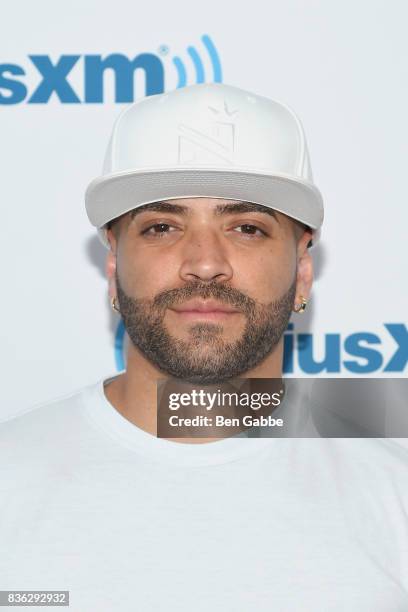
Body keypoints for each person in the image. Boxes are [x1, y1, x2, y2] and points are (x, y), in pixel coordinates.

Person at [0, 83, 407, 611]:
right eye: (162, 226)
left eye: (247, 228)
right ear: (112, 266)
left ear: (303, 272)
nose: (205, 262)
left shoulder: (394, 495)